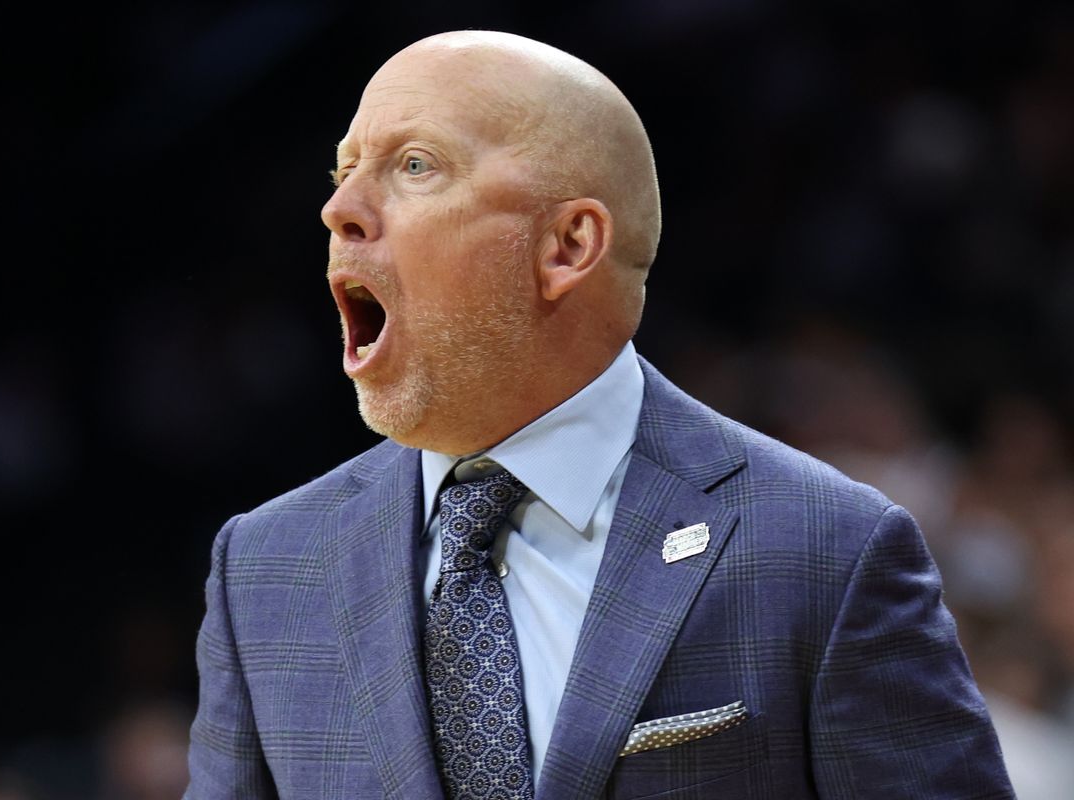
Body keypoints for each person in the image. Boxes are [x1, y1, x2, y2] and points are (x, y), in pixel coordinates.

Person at [185, 30, 1015, 799]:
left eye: (413, 166)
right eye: (344, 171)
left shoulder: (822, 548)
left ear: (567, 246)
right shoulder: (264, 568)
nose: (340, 210)